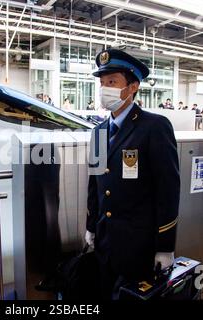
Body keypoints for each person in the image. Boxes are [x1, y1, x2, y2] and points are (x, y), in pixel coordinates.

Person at [85, 48, 180, 300]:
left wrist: (165, 247)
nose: (105, 89)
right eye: (103, 83)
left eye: (112, 82)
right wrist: (91, 227)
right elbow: (94, 184)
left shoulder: (154, 127)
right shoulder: (98, 132)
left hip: (139, 246)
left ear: (133, 86)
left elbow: (168, 191)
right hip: (105, 241)